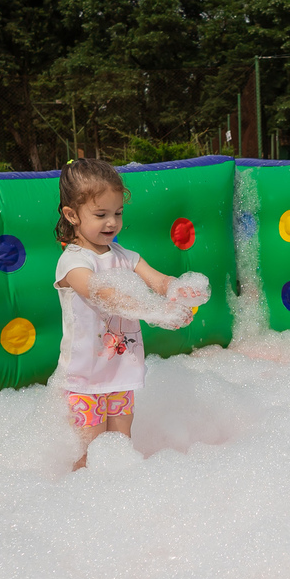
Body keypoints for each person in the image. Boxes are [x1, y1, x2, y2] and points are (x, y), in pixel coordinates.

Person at [52, 159, 209, 469]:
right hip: (84, 380)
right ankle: (78, 502)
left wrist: (178, 292)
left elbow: (157, 280)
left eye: (118, 213)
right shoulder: (73, 263)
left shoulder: (126, 256)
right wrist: (155, 312)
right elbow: (102, 293)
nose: (112, 222)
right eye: (101, 215)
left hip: (121, 376)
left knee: (120, 449)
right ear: (71, 215)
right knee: (87, 453)